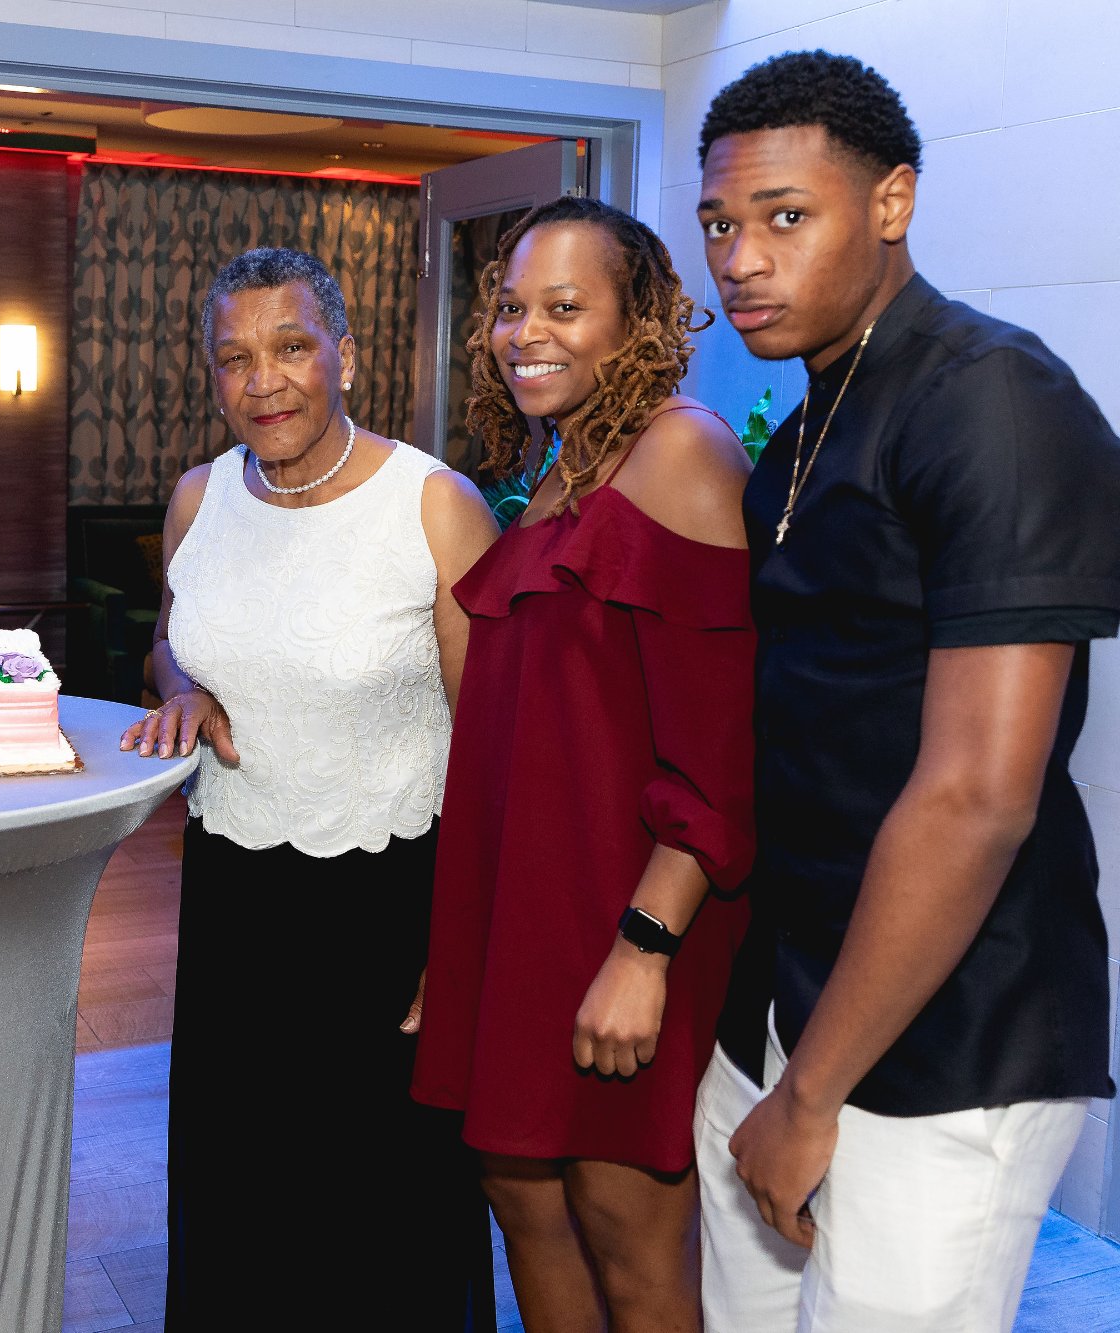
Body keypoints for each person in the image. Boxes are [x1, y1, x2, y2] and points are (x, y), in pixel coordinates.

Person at [690, 51, 1120, 1332]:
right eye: (718, 224)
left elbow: (975, 798)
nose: (739, 260)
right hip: (787, 1001)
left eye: (783, 216)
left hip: (944, 1036)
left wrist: (809, 1092)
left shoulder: (991, 400)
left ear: (891, 201)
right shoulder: (809, 423)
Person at [120, 247, 500, 1328]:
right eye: (233, 357)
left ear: (347, 355)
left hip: (388, 909)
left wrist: (462, 947)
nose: (263, 381)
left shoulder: (432, 505)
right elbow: (165, 645)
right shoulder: (199, 499)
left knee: (379, 1214)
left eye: (290, 347)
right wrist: (182, 686)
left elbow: (496, 749)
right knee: (241, 1196)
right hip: (233, 899)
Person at [408, 195, 756, 1332]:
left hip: (625, 915)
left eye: (564, 307)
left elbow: (722, 755)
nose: (526, 334)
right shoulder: (561, 465)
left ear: (637, 321)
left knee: (623, 1223)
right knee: (519, 1196)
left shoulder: (681, 451)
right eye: (512, 307)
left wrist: (643, 951)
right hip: (526, 910)